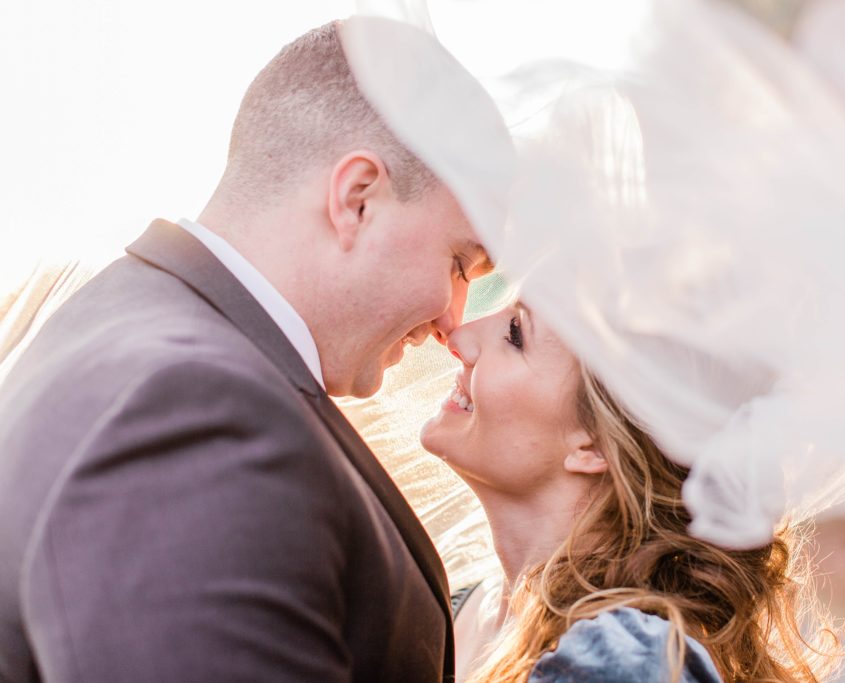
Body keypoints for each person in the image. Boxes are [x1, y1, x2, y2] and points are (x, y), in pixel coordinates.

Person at [0, 17, 509, 682]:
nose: (452, 319)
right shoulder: (197, 413)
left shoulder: (129, 328)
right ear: (358, 199)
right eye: (458, 263)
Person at [420, 302, 843, 682]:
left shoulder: (627, 662)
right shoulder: (459, 605)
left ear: (592, 444)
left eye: (515, 334)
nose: (458, 336)